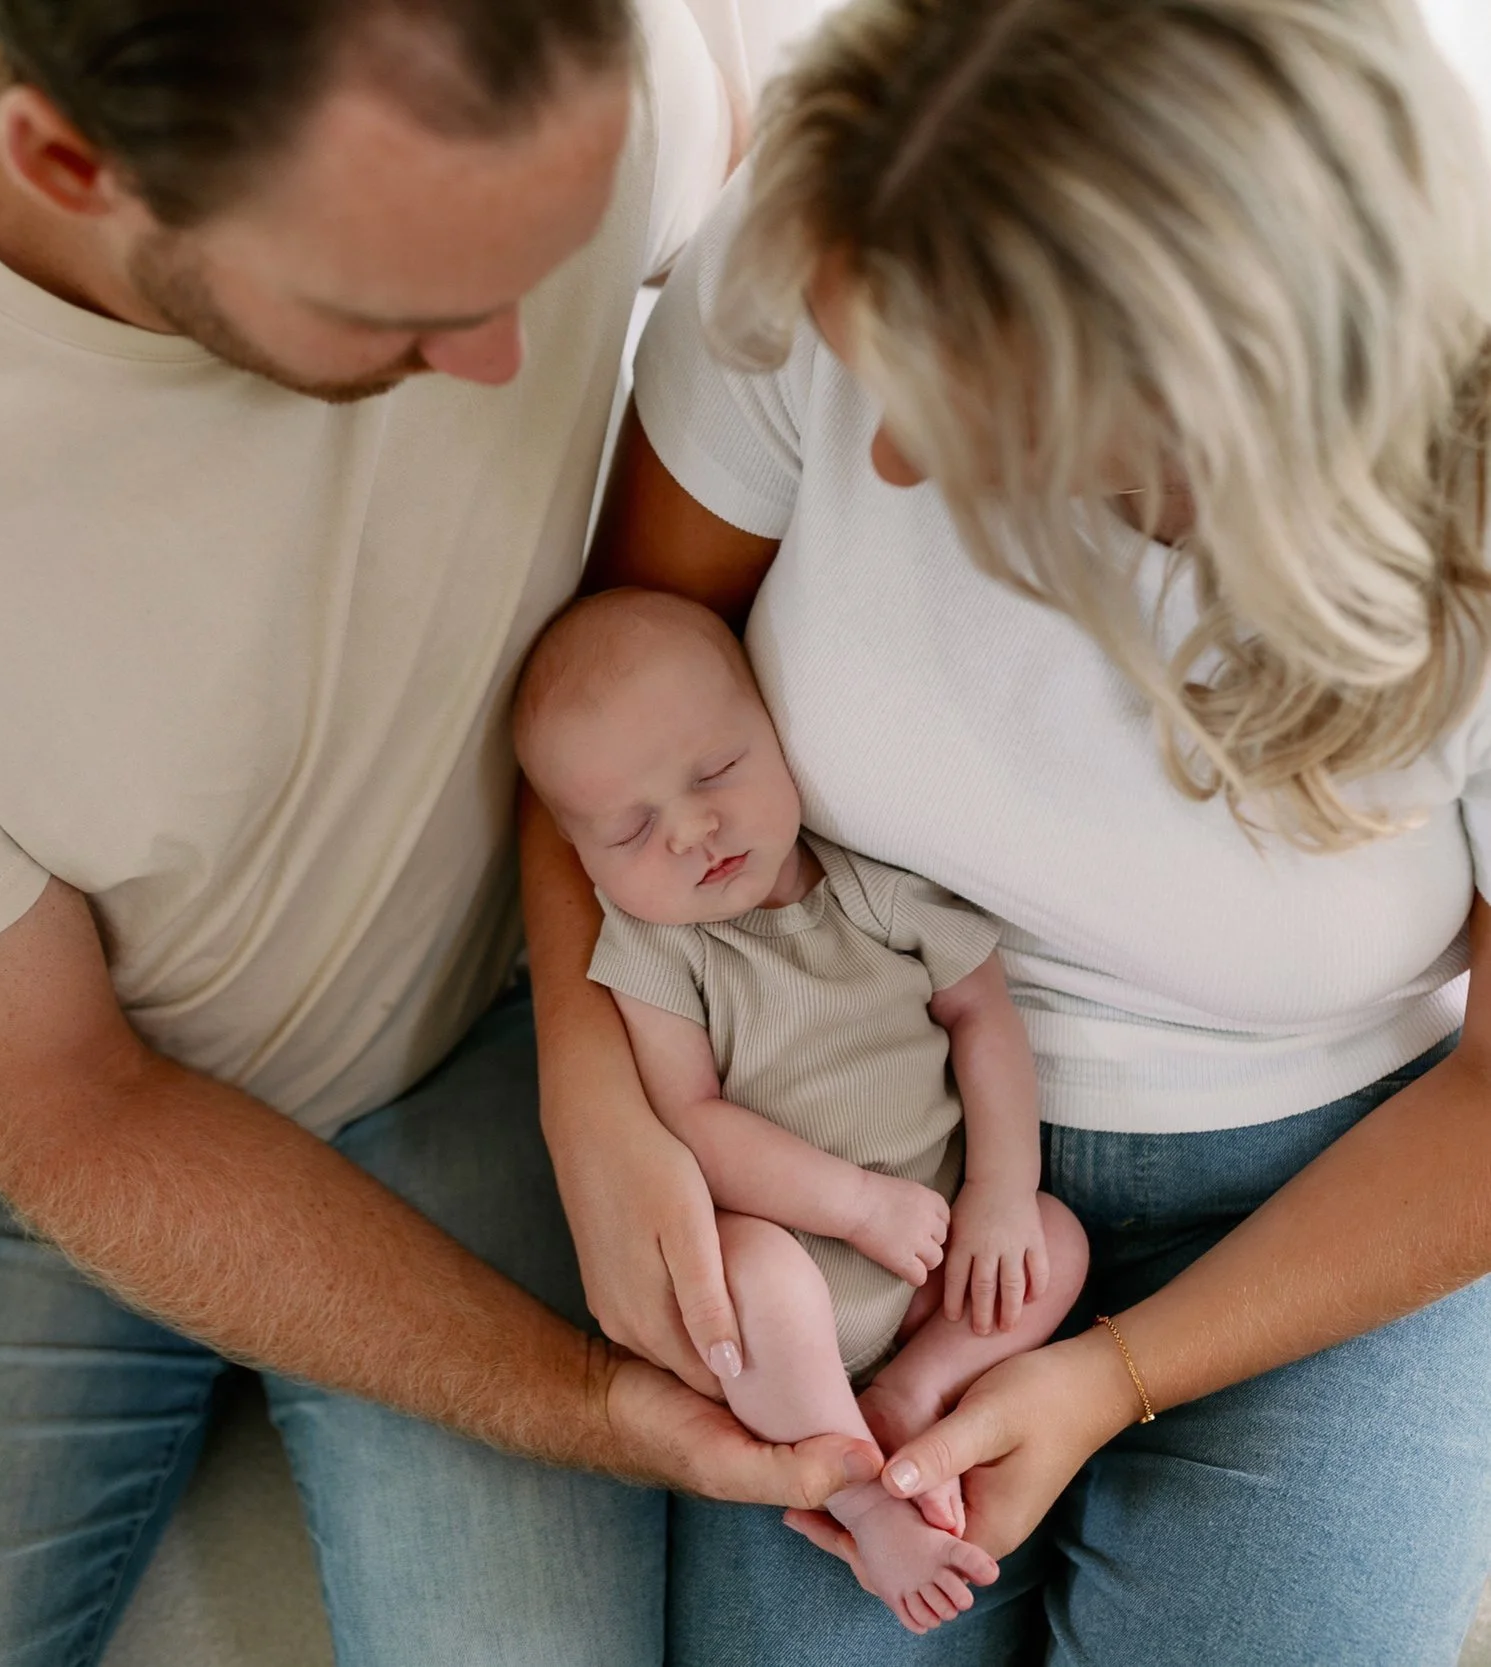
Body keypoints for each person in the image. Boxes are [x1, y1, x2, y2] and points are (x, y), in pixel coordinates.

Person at [0, 1, 872, 1663]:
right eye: (404, 307)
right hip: (10, 1117)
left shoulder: (593, 83)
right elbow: (73, 1109)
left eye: (551, 259)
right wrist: (586, 1407)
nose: (507, 363)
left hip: (466, 1047)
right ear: (66, 160)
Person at [521, 0, 1491, 1661]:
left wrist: (1113, 1374)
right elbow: (598, 711)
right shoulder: (850, 223)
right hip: (847, 1146)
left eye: (961, 411)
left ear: (1212, 405)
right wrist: (589, 1084)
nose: (881, 454)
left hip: (1323, 1212)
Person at [513, 586, 1089, 1633]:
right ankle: (861, 1489)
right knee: (755, 1273)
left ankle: (911, 1395)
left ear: (774, 727)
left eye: (716, 769)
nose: (692, 828)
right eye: (631, 829)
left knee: (1053, 1242)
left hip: (939, 1259)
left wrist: (1001, 1193)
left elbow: (982, 1016)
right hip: (798, 1286)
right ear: (579, 855)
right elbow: (688, 1118)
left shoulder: (869, 886)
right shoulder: (654, 951)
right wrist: (858, 1205)